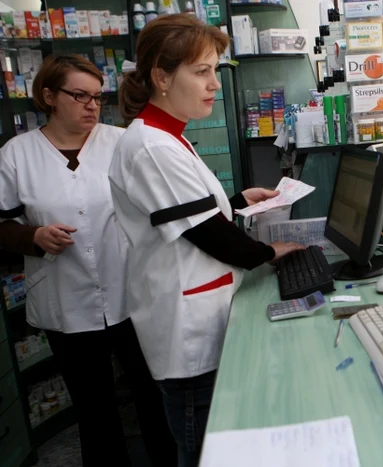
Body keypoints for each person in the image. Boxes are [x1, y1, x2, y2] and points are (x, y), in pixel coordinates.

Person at [108, 14, 305, 466]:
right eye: (200, 72)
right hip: (187, 332)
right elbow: (207, 234)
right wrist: (273, 251)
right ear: (161, 76)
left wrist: (236, 202)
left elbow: (182, 213)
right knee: (202, 452)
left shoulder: (168, 135)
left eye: (215, 70)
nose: (213, 83)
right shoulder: (152, 146)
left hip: (199, 310)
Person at [0, 55, 176, 466]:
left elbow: (167, 205)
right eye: (79, 96)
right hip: (66, 302)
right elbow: (2, 222)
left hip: (132, 295)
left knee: (153, 396)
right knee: (95, 411)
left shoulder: (121, 141)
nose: (91, 105)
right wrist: (33, 236)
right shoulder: (15, 154)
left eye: (97, 97)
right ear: (48, 96)